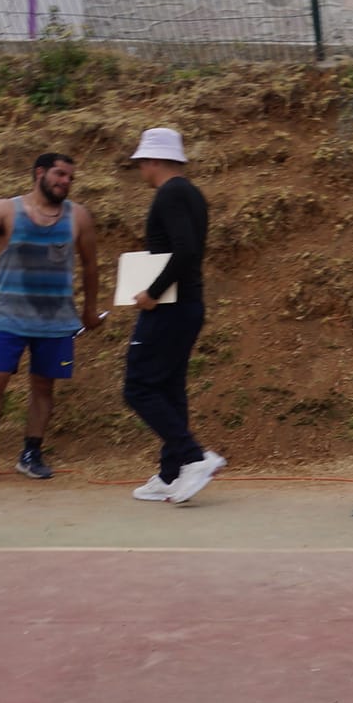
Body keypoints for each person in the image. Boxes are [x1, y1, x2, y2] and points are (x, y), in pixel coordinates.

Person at [0, 153, 101, 484]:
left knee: (44, 386)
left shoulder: (79, 217)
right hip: (9, 315)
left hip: (55, 318)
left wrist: (89, 309)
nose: (65, 181)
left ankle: (31, 452)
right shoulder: (5, 210)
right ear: (40, 173)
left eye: (70, 178)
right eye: (60, 174)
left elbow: (91, 266)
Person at [120, 129, 224, 506]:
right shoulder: (191, 193)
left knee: (138, 386)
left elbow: (184, 251)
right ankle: (171, 473)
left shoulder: (171, 193)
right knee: (168, 388)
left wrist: (151, 293)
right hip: (186, 306)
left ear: (154, 160)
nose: (140, 170)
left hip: (170, 307)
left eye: (142, 162)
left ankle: (194, 458)